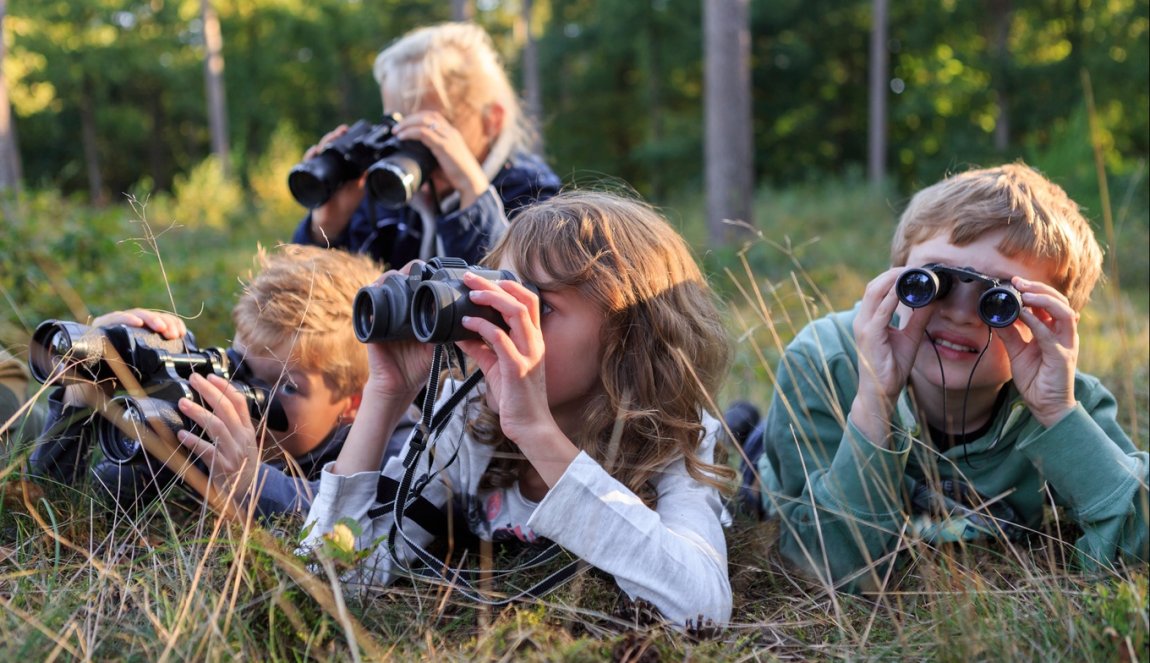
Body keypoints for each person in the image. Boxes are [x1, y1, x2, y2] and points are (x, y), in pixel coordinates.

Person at [299, 191, 736, 628]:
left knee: (744, 449)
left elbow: (700, 610)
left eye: (538, 306)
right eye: (496, 295)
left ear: (629, 341)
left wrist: (535, 431)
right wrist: (386, 395)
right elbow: (333, 575)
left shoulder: (680, 440)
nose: (504, 323)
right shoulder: (469, 419)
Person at [742, 162, 1148, 592]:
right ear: (897, 274)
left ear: (1054, 322)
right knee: (757, 479)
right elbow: (821, 565)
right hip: (814, 436)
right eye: (937, 283)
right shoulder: (826, 364)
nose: (959, 314)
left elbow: (1139, 549)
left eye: (1000, 299)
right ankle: (748, 433)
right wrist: (873, 400)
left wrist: (1057, 412)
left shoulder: (1070, 400)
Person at [28, 245, 380, 520]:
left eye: (288, 387)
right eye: (238, 367)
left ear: (354, 403)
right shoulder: (206, 430)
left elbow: (349, 527)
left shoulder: (382, 446)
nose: (246, 399)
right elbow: (64, 506)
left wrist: (252, 484)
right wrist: (85, 388)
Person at [292, 21, 562, 268]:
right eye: (399, 124)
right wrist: (325, 229)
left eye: (433, 126)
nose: (414, 142)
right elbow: (314, 307)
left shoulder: (535, 196)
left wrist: (472, 195)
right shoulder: (388, 193)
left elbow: (521, 297)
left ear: (491, 121)